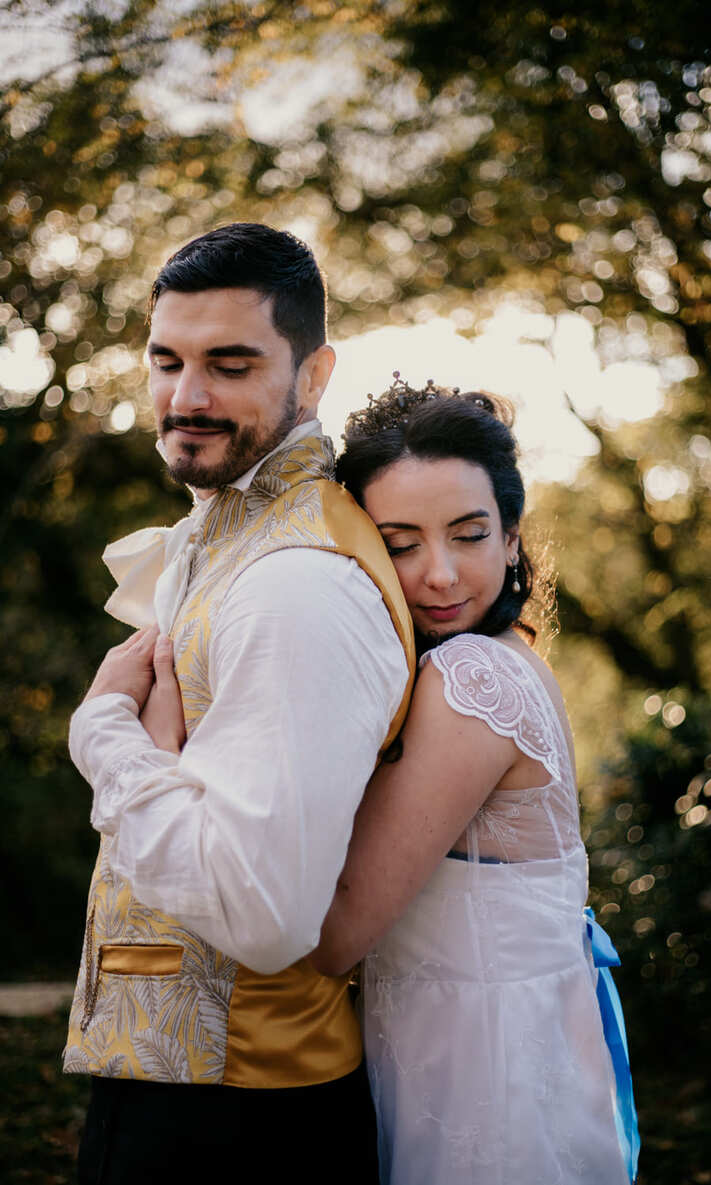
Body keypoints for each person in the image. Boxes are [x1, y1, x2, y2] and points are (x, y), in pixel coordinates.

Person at [63, 224, 416, 1183]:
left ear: (313, 374)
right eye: (166, 361)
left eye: (230, 363)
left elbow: (264, 915)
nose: (186, 397)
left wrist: (105, 739)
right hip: (180, 1090)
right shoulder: (227, 536)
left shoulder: (296, 581)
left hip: (242, 1122)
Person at [309, 377, 641, 1184]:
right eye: (401, 542)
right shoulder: (513, 654)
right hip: (509, 1040)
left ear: (512, 537)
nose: (441, 575)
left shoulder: (470, 679)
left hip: (481, 1070)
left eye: (467, 534)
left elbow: (340, 934)